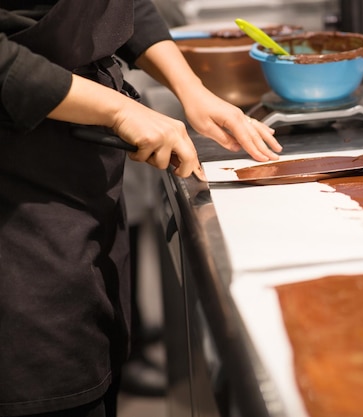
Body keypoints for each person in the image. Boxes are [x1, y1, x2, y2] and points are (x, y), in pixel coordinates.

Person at [0, 0, 282, 416]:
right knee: (47, 378)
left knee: (94, 360)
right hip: (18, 192)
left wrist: (193, 90)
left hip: (82, 178)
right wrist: (117, 109)